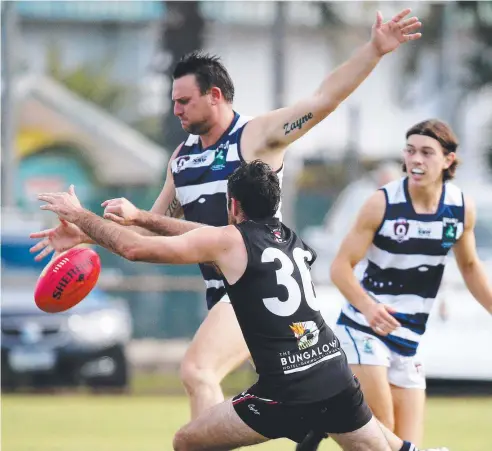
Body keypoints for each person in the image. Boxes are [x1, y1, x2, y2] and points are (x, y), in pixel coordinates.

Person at [30, 8, 423, 422]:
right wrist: (87, 235)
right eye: (173, 103)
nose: (177, 111)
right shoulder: (181, 160)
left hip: (259, 286)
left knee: (199, 371)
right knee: (319, 409)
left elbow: (323, 99)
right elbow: (147, 230)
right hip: (226, 293)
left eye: (185, 101)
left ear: (214, 95)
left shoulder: (257, 136)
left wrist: (375, 50)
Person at [37, 161, 448, 451]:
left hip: (285, 391)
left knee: (187, 441)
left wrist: (81, 216)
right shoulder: (287, 236)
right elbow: (203, 234)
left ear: (233, 205)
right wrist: (141, 217)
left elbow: (134, 249)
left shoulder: (232, 241)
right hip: (333, 372)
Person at [330, 119, 492, 446]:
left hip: (409, 337)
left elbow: (471, 267)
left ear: (448, 160)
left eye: (427, 152)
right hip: (363, 328)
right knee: (381, 431)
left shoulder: (460, 208)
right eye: (410, 150)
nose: (416, 159)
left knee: (404, 440)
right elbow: (340, 267)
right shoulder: (382, 203)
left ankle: (327, 420)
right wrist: (369, 307)